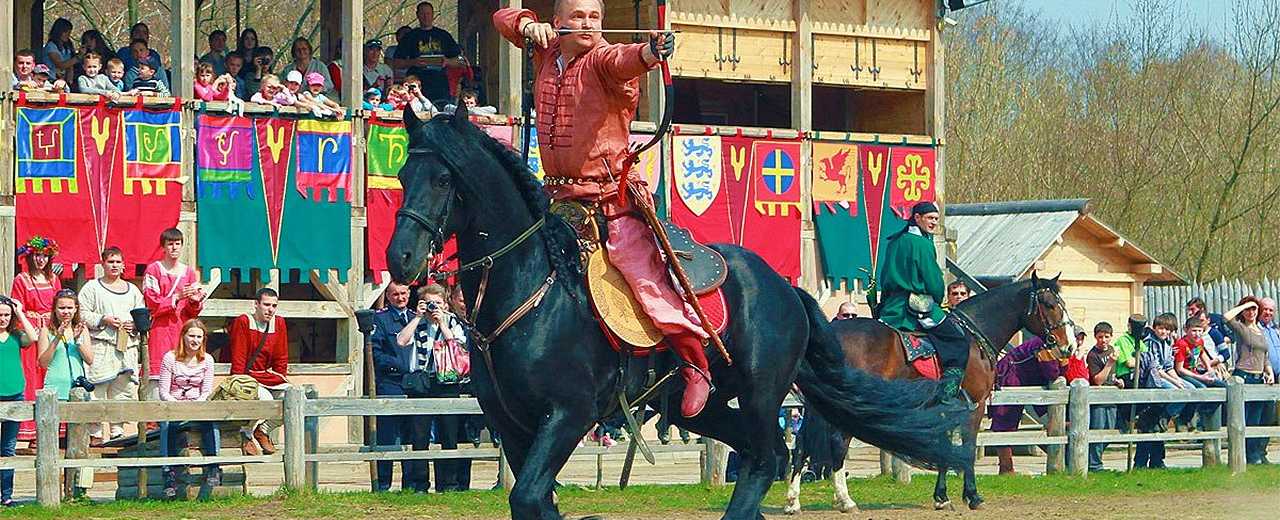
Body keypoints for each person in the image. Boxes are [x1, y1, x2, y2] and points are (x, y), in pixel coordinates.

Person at [494, 1, 710, 417]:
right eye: (577, 17)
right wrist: (526, 24)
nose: (587, 24)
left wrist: (651, 52)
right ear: (558, 23)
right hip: (557, 199)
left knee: (645, 273)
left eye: (594, 17)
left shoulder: (603, 59)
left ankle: (693, 361)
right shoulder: (547, 51)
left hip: (610, 197)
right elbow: (500, 18)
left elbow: (627, 58)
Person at [876, 201, 969, 404]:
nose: (934, 222)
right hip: (914, 308)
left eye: (936, 219)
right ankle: (947, 394)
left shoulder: (894, 241)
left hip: (891, 307)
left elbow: (884, 277)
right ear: (917, 218)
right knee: (958, 340)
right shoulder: (922, 244)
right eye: (930, 218)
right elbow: (933, 280)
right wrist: (938, 297)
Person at [396, 283, 471, 492]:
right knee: (419, 437)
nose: (433, 307)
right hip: (421, 381)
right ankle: (420, 484)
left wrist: (442, 324)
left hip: (447, 382)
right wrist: (418, 317)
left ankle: (449, 484)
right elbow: (401, 341)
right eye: (429, 303)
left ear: (445, 304)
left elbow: (458, 345)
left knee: (449, 435)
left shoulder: (453, 322)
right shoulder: (415, 321)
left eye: (437, 303)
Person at [79, 246, 145, 443]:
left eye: (118, 262)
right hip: (101, 345)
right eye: (110, 261)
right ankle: (95, 433)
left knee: (122, 390)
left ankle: (117, 431)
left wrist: (134, 325)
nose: (114, 265)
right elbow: (81, 313)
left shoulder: (133, 290)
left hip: (126, 346)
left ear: (123, 265)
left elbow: (141, 315)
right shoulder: (92, 287)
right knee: (97, 389)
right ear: (103, 264)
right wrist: (103, 319)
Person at [369, 282, 428, 492]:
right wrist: (400, 365)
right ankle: (383, 484)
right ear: (387, 296)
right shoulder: (380, 319)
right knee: (387, 435)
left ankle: (409, 484)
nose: (400, 298)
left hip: (414, 384)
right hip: (390, 383)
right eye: (395, 294)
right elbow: (376, 354)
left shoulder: (416, 316)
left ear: (409, 294)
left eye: (403, 293)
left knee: (411, 435)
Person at [158, 319, 220, 497]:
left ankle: (214, 466)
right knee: (167, 426)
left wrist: (196, 406)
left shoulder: (207, 360)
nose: (195, 340)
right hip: (174, 404)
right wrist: (178, 406)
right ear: (183, 337)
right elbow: (163, 391)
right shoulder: (170, 358)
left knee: (211, 423)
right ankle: (168, 473)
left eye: (199, 337)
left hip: (197, 405)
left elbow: (206, 390)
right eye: (191, 336)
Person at [142, 228, 205, 401]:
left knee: (183, 377)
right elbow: (151, 303)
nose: (174, 247)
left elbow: (193, 311)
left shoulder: (189, 272)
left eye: (177, 243)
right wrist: (176, 297)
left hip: (182, 330)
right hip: (161, 330)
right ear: (163, 247)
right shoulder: (154, 270)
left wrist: (195, 300)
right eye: (170, 244)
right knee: (158, 381)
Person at [9, 236, 61, 447]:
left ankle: (50, 431)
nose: (41, 260)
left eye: (45, 256)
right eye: (37, 255)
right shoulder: (21, 279)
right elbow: (17, 310)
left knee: (50, 375)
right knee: (32, 376)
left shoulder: (54, 280)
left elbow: (59, 306)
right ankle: (29, 432)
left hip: (49, 331)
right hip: (30, 330)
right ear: (30, 257)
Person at [228, 288, 289, 456]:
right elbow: (239, 355)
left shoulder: (279, 323)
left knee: (293, 398)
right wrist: (239, 382)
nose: (270, 309)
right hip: (246, 376)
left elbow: (281, 357)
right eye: (266, 305)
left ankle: (263, 430)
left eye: (274, 306)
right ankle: (246, 433)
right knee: (266, 400)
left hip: (267, 375)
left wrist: (281, 378)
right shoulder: (244, 321)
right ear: (256, 304)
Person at [1221, 297, 1274, 464]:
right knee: (1243, 418)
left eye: (1254, 309)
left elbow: (1264, 355)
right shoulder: (1241, 328)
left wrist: (1269, 371)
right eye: (1248, 310)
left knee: (1256, 419)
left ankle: (1254, 455)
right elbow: (1226, 317)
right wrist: (1245, 305)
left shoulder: (1260, 331)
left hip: (1258, 378)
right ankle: (1243, 456)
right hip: (1243, 376)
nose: (1251, 312)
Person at [0, 295, 40, 507]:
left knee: (8, 448)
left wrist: (20, 312)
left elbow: (32, 337)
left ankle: (6, 495)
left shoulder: (16, 335)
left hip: (15, 394)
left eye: (6, 314)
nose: (3, 318)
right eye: (0, 315)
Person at [1134, 312, 1184, 469]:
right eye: (1161, 328)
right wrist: (1175, 382)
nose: (1164, 332)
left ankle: (1157, 460)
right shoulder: (1149, 343)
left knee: (1156, 425)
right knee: (1148, 425)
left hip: (1164, 384)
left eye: (1167, 329)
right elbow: (1155, 369)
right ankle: (1142, 462)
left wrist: (1179, 380)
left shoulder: (1167, 344)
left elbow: (1169, 366)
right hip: (1152, 384)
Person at [395, 2, 463, 103]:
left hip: (440, 84)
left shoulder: (444, 35)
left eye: (428, 13)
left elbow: (460, 61)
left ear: (433, 15)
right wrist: (413, 62)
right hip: (416, 84)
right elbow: (396, 63)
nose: (426, 17)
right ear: (417, 15)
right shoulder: (410, 37)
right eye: (423, 14)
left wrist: (447, 61)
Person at [37, 289, 93, 400]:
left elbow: (89, 360)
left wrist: (78, 341)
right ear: (54, 309)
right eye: (62, 308)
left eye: (69, 308)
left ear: (75, 309)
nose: (66, 312)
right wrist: (57, 338)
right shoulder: (46, 331)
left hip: (78, 390)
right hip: (55, 388)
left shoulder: (82, 329)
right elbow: (43, 363)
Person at [1085, 322, 1120, 472]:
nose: (1103, 340)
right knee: (1097, 430)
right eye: (1100, 337)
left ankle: (1094, 459)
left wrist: (1118, 380)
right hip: (1098, 399)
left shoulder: (1112, 350)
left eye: (1106, 337)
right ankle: (1094, 465)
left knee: (1110, 431)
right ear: (1095, 337)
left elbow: (1113, 375)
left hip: (1111, 396)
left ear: (1111, 337)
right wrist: (1110, 363)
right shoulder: (1093, 355)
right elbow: (1098, 380)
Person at [1187, 297, 1234, 365]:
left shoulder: (1217, 320)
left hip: (1216, 362)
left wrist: (1219, 340)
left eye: (1192, 309)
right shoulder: (1191, 327)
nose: (1190, 313)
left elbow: (1232, 337)